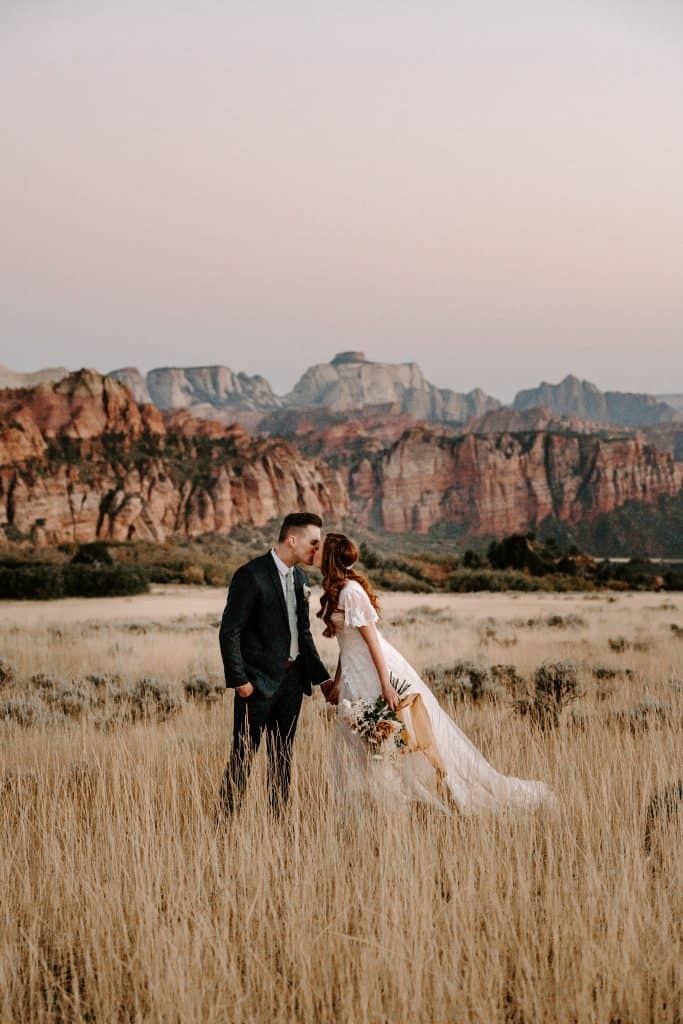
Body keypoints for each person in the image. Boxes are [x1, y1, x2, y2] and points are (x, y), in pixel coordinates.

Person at [318, 533, 556, 814]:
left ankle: (420, 803)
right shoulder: (338, 590)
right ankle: (380, 807)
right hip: (356, 677)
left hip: (375, 675)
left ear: (330, 556)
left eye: (320, 548)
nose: (315, 551)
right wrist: (338, 681)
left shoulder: (351, 593)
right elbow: (348, 644)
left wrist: (386, 685)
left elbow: (372, 643)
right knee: (367, 745)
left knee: (389, 742)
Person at [219, 512, 332, 816]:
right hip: (255, 686)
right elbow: (230, 631)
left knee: (283, 759)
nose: (316, 549)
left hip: (293, 685)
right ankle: (223, 826)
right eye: (313, 542)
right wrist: (240, 682)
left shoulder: (300, 578)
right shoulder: (251, 574)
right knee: (242, 757)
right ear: (292, 539)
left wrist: (322, 679)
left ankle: (278, 826)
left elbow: (303, 634)